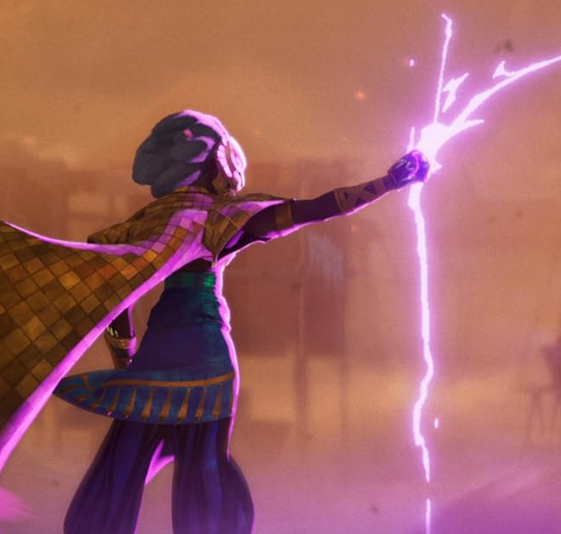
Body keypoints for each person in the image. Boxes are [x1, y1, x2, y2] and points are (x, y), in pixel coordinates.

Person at [0, 110, 429, 533]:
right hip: (202, 360)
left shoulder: (145, 223)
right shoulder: (221, 214)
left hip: (163, 359)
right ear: (220, 161)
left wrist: (124, 357)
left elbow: (112, 292)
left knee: (124, 478)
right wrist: (388, 182)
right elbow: (317, 209)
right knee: (198, 484)